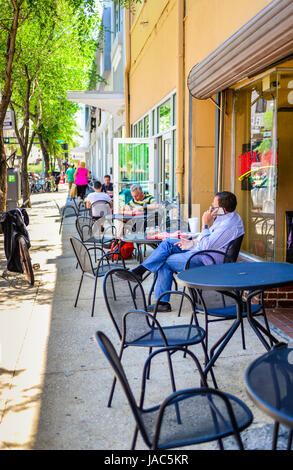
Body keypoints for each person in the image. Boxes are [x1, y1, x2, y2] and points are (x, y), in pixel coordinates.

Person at [116, 191, 244, 312]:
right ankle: (141, 272)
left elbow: (206, 245)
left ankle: (161, 300)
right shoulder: (225, 217)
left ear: (224, 210)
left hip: (207, 260)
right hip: (202, 252)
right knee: (168, 243)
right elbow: (210, 239)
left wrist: (205, 224)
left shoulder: (229, 225)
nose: (210, 209)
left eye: (214, 206)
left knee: (164, 260)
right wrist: (192, 242)